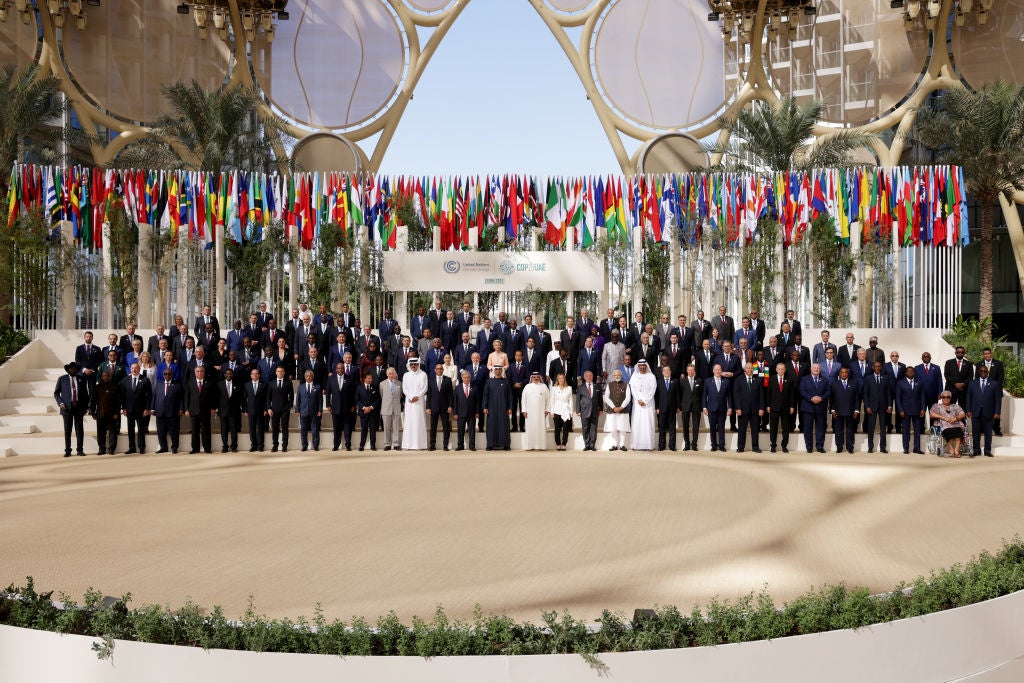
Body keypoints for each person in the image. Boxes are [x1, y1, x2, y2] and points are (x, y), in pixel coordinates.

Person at [55, 361, 88, 457]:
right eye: (71, 368)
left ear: (76, 370)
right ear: (68, 369)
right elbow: (56, 393)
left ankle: (80, 450)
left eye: (74, 368)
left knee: (79, 429)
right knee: (67, 430)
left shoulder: (81, 379)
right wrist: (60, 403)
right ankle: (68, 450)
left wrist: (86, 407)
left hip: (79, 407)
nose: (72, 370)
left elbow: (85, 394)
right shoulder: (62, 379)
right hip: (66, 408)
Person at [966, 365, 1000, 457]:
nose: (983, 373)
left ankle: (987, 450)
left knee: (988, 433)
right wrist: (968, 410)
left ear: (988, 373)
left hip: (989, 412)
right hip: (975, 412)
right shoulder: (972, 383)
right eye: (982, 371)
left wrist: (997, 412)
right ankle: (977, 450)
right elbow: (969, 397)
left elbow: (997, 399)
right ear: (978, 372)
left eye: (985, 371)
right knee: (975, 432)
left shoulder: (994, 383)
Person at [120, 362, 152, 455]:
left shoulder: (145, 380)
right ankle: (132, 447)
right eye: (132, 368)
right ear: (130, 369)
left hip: (141, 410)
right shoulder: (125, 380)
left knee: (141, 429)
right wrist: (124, 408)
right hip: (129, 409)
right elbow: (123, 396)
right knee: (130, 429)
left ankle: (141, 447)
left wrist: (147, 408)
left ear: (139, 369)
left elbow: (149, 395)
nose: (134, 370)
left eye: (136, 368)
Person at [184, 366, 217, 454]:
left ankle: (207, 448)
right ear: (195, 373)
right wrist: (186, 409)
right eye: (197, 371)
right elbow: (187, 397)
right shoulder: (190, 383)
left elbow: (213, 397)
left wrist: (213, 408)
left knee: (206, 430)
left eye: (201, 371)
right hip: (193, 410)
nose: (199, 373)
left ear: (204, 372)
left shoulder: (209, 383)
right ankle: (195, 448)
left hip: (206, 410)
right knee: (195, 431)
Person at [799, 364, 831, 453]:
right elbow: (802, 391)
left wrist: (821, 398)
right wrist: (811, 398)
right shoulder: (804, 379)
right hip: (808, 407)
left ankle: (820, 446)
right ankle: (809, 447)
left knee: (820, 428)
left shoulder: (824, 380)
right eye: (814, 368)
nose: (816, 369)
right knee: (808, 428)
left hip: (821, 407)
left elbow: (828, 391)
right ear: (811, 369)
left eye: (818, 368)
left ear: (820, 370)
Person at [326, 361, 358, 451]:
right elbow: (328, 393)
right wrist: (328, 404)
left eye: (342, 368)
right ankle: (336, 444)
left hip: (347, 407)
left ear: (344, 369)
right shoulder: (331, 378)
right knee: (336, 427)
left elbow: (352, 393)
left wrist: (353, 405)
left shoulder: (349, 378)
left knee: (347, 427)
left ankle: (348, 444)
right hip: (335, 407)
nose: (340, 370)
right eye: (338, 368)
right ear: (336, 369)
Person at [733, 362, 764, 453]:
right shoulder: (738, 380)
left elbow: (761, 395)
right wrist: (738, 408)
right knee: (742, 430)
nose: (750, 370)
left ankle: (755, 447)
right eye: (748, 368)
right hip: (742, 410)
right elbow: (736, 395)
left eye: (751, 368)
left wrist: (761, 408)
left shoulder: (758, 380)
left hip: (755, 410)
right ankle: (740, 447)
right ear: (744, 369)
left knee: (755, 430)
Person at [895, 366, 926, 454]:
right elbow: (898, 398)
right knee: (905, 430)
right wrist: (900, 410)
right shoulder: (900, 383)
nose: (910, 373)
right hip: (905, 411)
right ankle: (906, 448)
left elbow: (922, 397)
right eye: (908, 371)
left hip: (917, 410)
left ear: (914, 373)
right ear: (905, 373)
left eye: (912, 371)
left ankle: (917, 448)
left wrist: (923, 408)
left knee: (917, 431)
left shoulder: (919, 382)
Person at [151, 368, 183, 453]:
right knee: (161, 431)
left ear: (172, 375)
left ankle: (174, 447)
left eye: (169, 374)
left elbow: (181, 399)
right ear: (163, 375)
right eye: (165, 374)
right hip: (160, 411)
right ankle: (163, 447)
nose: (167, 375)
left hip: (173, 412)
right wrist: (153, 408)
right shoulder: (158, 384)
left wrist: (181, 409)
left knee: (174, 431)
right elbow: (154, 397)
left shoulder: (178, 385)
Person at [628, 359, 656, 451]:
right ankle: (636, 445)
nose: (642, 367)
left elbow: (653, 389)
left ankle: (649, 445)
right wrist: (638, 399)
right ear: (638, 366)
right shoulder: (634, 377)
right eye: (640, 365)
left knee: (648, 423)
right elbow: (633, 389)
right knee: (637, 423)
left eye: (644, 365)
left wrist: (646, 400)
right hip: (637, 404)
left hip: (648, 404)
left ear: (646, 366)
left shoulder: (651, 376)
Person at [91, 370, 121, 455]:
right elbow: (93, 401)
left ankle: (111, 449)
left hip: (112, 414)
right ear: (101, 377)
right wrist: (93, 412)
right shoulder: (97, 387)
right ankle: (101, 448)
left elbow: (118, 402)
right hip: (100, 413)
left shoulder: (115, 386)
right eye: (104, 376)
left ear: (110, 377)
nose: (105, 377)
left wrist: (116, 413)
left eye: (107, 376)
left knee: (112, 433)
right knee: (100, 433)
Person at [830, 367, 860, 454]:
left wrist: (857, 410)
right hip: (838, 411)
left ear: (848, 373)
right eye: (842, 372)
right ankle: (839, 447)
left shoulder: (854, 383)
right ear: (839, 374)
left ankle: (850, 447)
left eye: (845, 372)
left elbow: (857, 398)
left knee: (850, 430)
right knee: (838, 430)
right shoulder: (835, 384)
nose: (844, 374)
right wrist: (832, 409)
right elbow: (832, 398)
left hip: (851, 411)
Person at [863, 361, 891, 453]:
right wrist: (867, 406)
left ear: (881, 367)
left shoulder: (886, 378)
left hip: (883, 407)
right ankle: (870, 447)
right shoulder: (868, 378)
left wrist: (890, 405)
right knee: (871, 427)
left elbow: (889, 393)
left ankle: (883, 447)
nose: (878, 368)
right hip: (871, 407)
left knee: (883, 427)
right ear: (873, 368)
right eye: (876, 366)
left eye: (879, 366)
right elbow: (865, 394)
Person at [482, 365, 512, 451]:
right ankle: (490, 445)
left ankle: (506, 444)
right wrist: (485, 407)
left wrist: (510, 407)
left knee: (504, 425)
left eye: (499, 369)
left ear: (502, 371)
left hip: (503, 408)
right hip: (491, 408)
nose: (498, 371)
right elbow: (485, 395)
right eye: (496, 370)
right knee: (491, 425)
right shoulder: (489, 381)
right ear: (494, 371)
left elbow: (510, 396)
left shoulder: (506, 381)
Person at [702, 364, 731, 452]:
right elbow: (704, 395)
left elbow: (729, 396)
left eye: (719, 370)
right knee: (712, 428)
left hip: (722, 409)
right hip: (711, 408)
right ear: (713, 371)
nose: (718, 371)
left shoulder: (726, 381)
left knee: (721, 428)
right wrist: (704, 407)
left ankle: (722, 445)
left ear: (721, 371)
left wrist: (730, 407)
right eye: (716, 369)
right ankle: (714, 445)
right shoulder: (708, 381)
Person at [401, 358, 428, 450]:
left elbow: (425, 388)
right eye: (412, 364)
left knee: (418, 421)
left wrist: (417, 396)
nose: (413, 366)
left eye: (415, 364)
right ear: (409, 365)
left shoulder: (423, 374)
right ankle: (407, 445)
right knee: (409, 421)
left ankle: (419, 445)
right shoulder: (406, 375)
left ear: (418, 364)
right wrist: (410, 397)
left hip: (419, 401)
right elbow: (404, 388)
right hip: (409, 402)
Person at [767, 362, 795, 453]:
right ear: (776, 369)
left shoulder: (789, 379)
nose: (781, 370)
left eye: (782, 369)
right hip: (774, 407)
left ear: (785, 370)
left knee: (785, 428)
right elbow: (768, 393)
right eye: (779, 369)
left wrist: (792, 406)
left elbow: (792, 394)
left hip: (786, 408)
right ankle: (773, 445)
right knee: (773, 428)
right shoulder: (771, 379)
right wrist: (768, 405)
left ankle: (784, 446)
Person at [426, 362, 454, 451]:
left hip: (445, 407)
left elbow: (451, 395)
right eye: (437, 369)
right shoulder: (430, 380)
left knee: (446, 427)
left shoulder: (448, 380)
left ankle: (445, 445)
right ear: (435, 370)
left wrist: (450, 406)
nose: (439, 370)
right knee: (433, 427)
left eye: (440, 369)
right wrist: (428, 407)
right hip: (433, 407)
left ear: (443, 370)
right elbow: (429, 396)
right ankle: (432, 445)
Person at [930, 391, 967, 457]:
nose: (946, 398)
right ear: (941, 398)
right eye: (944, 397)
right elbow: (932, 414)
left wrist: (955, 418)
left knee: (959, 430)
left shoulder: (955, 406)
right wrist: (944, 418)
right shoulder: (937, 406)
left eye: (948, 397)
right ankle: (951, 449)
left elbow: (963, 414)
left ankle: (956, 450)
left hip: (955, 423)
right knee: (947, 431)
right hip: (944, 425)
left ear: (951, 398)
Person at [979, 347, 1006, 436]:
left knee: (996, 410)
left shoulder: (998, 364)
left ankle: (996, 429)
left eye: (988, 353)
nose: (986, 355)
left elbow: (1001, 378)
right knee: (982, 410)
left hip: (995, 391)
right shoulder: (979, 364)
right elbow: (976, 378)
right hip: (982, 392)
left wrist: (992, 387)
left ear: (991, 354)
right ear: (983, 355)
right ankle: (982, 429)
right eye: (985, 354)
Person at [295, 369, 323, 452]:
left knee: (315, 430)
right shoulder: (301, 387)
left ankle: (315, 445)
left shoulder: (317, 387)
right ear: (304, 377)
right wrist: (297, 410)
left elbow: (320, 400)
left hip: (314, 412)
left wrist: (320, 410)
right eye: (307, 376)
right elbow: (298, 400)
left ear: (313, 377)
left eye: (310, 376)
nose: (309, 377)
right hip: (303, 412)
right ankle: (304, 446)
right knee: (303, 430)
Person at [522, 372, 552, 450]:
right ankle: (530, 446)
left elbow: (548, 399)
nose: (535, 378)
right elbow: (523, 400)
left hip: (541, 413)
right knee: (530, 428)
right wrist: (524, 410)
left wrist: (547, 409)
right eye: (534, 377)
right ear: (531, 378)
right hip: (529, 413)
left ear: (539, 378)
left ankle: (540, 446)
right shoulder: (527, 387)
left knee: (540, 429)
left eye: (537, 377)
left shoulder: (544, 386)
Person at [603, 369, 632, 451]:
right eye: (615, 375)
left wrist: (621, 407)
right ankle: (614, 445)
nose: (617, 376)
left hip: (623, 410)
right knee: (613, 427)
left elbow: (628, 398)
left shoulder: (626, 384)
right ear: (613, 376)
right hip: (612, 410)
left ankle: (622, 445)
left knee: (623, 428)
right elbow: (606, 397)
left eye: (618, 375)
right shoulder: (609, 385)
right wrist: (613, 407)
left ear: (621, 376)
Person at [267, 365, 293, 452]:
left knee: (285, 428)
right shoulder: (271, 383)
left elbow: (291, 397)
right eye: (278, 371)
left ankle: (284, 445)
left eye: (281, 371)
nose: (280, 373)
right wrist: (269, 408)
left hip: (285, 409)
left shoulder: (288, 383)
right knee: (275, 428)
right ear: (276, 373)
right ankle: (275, 445)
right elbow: (268, 398)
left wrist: (289, 406)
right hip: (274, 410)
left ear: (284, 373)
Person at [240, 367, 267, 452]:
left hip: (261, 410)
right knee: (252, 428)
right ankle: (253, 445)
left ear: (259, 375)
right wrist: (244, 410)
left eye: (256, 374)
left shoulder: (264, 384)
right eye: (253, 374)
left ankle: (260, 445)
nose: (255, 375)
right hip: (250, 410)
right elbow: (244, 399)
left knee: (260, 428)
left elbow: (266, 398)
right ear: (250, 375)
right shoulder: (246, 385)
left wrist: (266, 409)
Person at [217, 368, 242, 453]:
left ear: (233, 375)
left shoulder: (237, 384)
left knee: (233, 429)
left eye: (231, 374)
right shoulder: (219, 385)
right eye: (227, 374)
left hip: (233, 411)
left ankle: (234, 446)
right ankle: (225, 446)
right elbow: (217, 398)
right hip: (223, 411)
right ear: (224, 375)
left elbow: (239, 398)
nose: (229, 375)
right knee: (223, 429)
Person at [453, 369, 478, 451]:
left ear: (470, 378)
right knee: (460, 430)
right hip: (460, 413)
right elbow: (455, 401)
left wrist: (477, 412)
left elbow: (477, 401)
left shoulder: (475, 387)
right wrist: (455, 413)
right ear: (462, 378)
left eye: (468, 377)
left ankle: (472, 446)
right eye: (465, 377)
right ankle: (460, 445)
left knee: (472, 431)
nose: (467, 379)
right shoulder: (457, 388)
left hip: (472, 413)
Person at [678, 364, 702, 451]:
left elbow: (701, 394)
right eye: (689, 370)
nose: (691, 372)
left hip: (696, 406)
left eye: (692, 370)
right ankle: (687, 444)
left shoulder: (699, 380)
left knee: (696, 426)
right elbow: (679, 394)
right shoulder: (682, 381)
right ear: (687, 371)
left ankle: (694, 444)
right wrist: (679, 406)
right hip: (685, 406)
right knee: (685, 426)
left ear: (694, 370)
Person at [576, 370, 601, 451]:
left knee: (593, 428)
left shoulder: (597, 386)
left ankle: (592, 445)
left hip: (595, 411)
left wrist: (601, 409)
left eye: (590, 376)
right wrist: (578, 411)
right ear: (584, 377)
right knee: (585, 428)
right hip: (584, 411)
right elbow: (578, 400)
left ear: (592, 377)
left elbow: (600, 399)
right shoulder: (580, 387)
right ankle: (586, 445)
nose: (589, 377)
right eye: (587, 376)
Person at [548, 372, 575, 451]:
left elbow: (570, 401)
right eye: (559, 378)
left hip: (566, 411)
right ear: (557, 379)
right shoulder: (554, 388)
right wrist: (552, 412)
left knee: (566, 428)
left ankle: (564, 444)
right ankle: (558, 444)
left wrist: (571, 411)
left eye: (562, 378)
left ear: (564, 379)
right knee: (557, 428)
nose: (561, 380)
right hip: (556, 411)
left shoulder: (569, 388)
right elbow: (552, 401)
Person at [655, 364, 678, 451]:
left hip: (672, 408)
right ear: (662, 372)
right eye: (665, 371)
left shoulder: (675, 381)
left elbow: (677, 395)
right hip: (662, 408)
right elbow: (656, 396)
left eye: (668, 370)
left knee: (672, 428)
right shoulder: (659, 382)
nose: (667, 372)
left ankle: (672, 446)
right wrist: (657, 407)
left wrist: (678, 407)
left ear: (670, 372)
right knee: (662, 428)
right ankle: (661, 445)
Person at [356, 371, 381, 451]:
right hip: (363, 412)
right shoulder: (359, 387)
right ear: (364, 379)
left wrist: (371, 407)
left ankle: (373, 445)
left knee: (373, 429)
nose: (371, 380)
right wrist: (364, 408)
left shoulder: (374, 387)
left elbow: (378, 399)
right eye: (369, 378)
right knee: (364, 429)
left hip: (372, 412)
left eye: (371, 378)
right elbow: (357, 400)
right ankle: (361, 445)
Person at [380, 367, 404, 451]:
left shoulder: (399, 384)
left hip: (396, 408)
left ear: (395, 374)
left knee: (396, 427)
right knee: (386, 427)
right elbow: (381, 396)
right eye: (389, 374)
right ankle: (387, 444)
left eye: (393, 373)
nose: (391, 375)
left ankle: (396, 443)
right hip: (386, 409)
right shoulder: (382, 384)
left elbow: (401, 395)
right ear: (387, 374)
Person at [508, 349, 531, 432]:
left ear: (522, 357)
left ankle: (522, 426)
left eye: (519, 355)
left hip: (522, 390)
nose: (518, 357)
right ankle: (514, 426)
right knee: (513, 409)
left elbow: (528, 377)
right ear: (514, 356)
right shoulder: (511, 366)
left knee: (522, 408)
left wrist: (520, 383)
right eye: (516, 355)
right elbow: (509, 377)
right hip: (513, 390)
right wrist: (514, 384)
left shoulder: (526, 366)